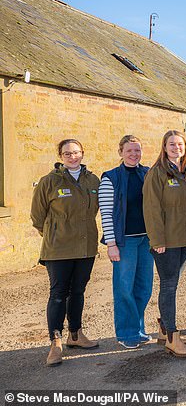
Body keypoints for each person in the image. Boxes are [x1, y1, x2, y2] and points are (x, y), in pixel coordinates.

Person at [31, 138, 101, 367]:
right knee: (59, 292)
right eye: (67, 153)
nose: (73, 157)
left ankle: (75, 334)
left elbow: (96, 210)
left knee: (78, 291)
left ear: (83, 153)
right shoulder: (49, 181)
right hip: (58, 248)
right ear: (60, 156)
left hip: (85, 246)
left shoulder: (93, 180)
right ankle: (55, 342)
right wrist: (54, 233)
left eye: (76, 152)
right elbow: (37, 216)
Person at [143, 130, 186, 358]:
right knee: (168, 285)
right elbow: (152, 210)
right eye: (172, 144)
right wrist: (157, 240)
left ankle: (163, 327)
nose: (177, 147)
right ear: (164, 147)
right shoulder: (156, 173)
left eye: (180, 144)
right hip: (166, 242)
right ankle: (172, 337)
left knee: (172, 284)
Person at [99, 135, 153, 349]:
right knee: (124, 288)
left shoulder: (147, 174)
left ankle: (138, 329)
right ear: (120, 152)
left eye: (137, 150)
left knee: (144, 287)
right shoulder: (110, 178)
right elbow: (106, 213)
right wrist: (111, 243)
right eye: (129, 150)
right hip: (124, 242)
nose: (134, 154)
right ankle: (126, 332)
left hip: (146, 240)